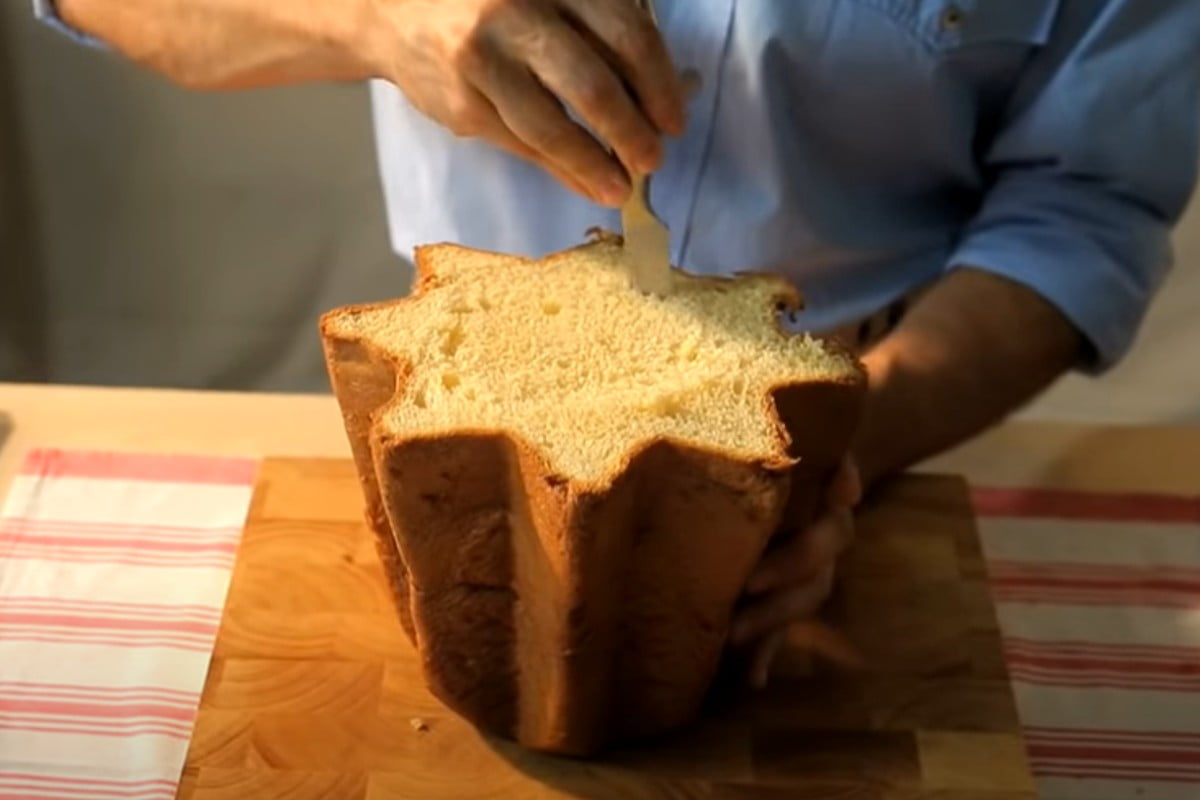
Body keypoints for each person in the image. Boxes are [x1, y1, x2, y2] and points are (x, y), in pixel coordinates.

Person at [33, 0, 1200, 686]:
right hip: (454, 416)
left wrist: (840, 444)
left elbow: (1082, 207)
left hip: (868, 430)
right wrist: (374, 16)